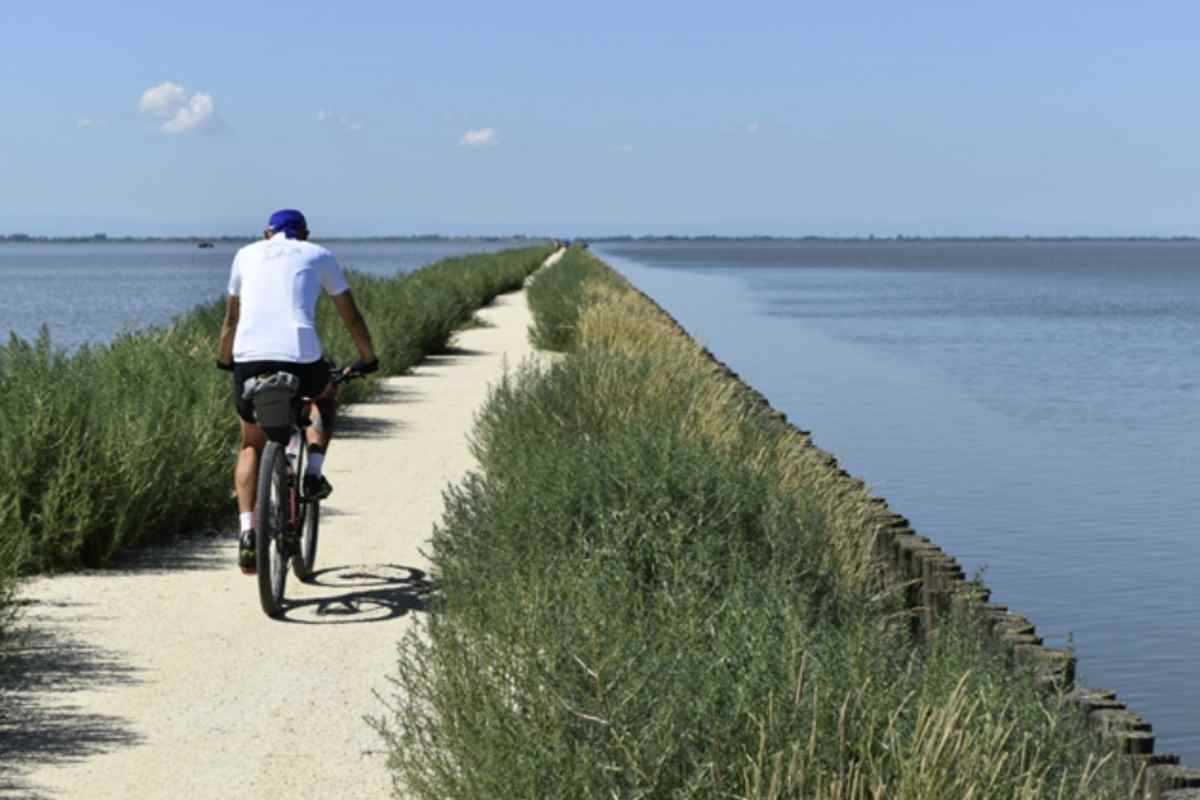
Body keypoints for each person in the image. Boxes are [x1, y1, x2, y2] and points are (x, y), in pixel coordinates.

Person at [216, 209, 378, 573]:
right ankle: (314, 471)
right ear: (304, 234)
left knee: (250, 445)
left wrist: (224, 360)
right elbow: (350, 315)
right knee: (324, 396)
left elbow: (231, 320)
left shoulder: (245, 254)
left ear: (266, 233)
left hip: (250, 360)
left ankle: (246, 531)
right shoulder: (319, 255)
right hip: (301, 358)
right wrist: (367, 357)